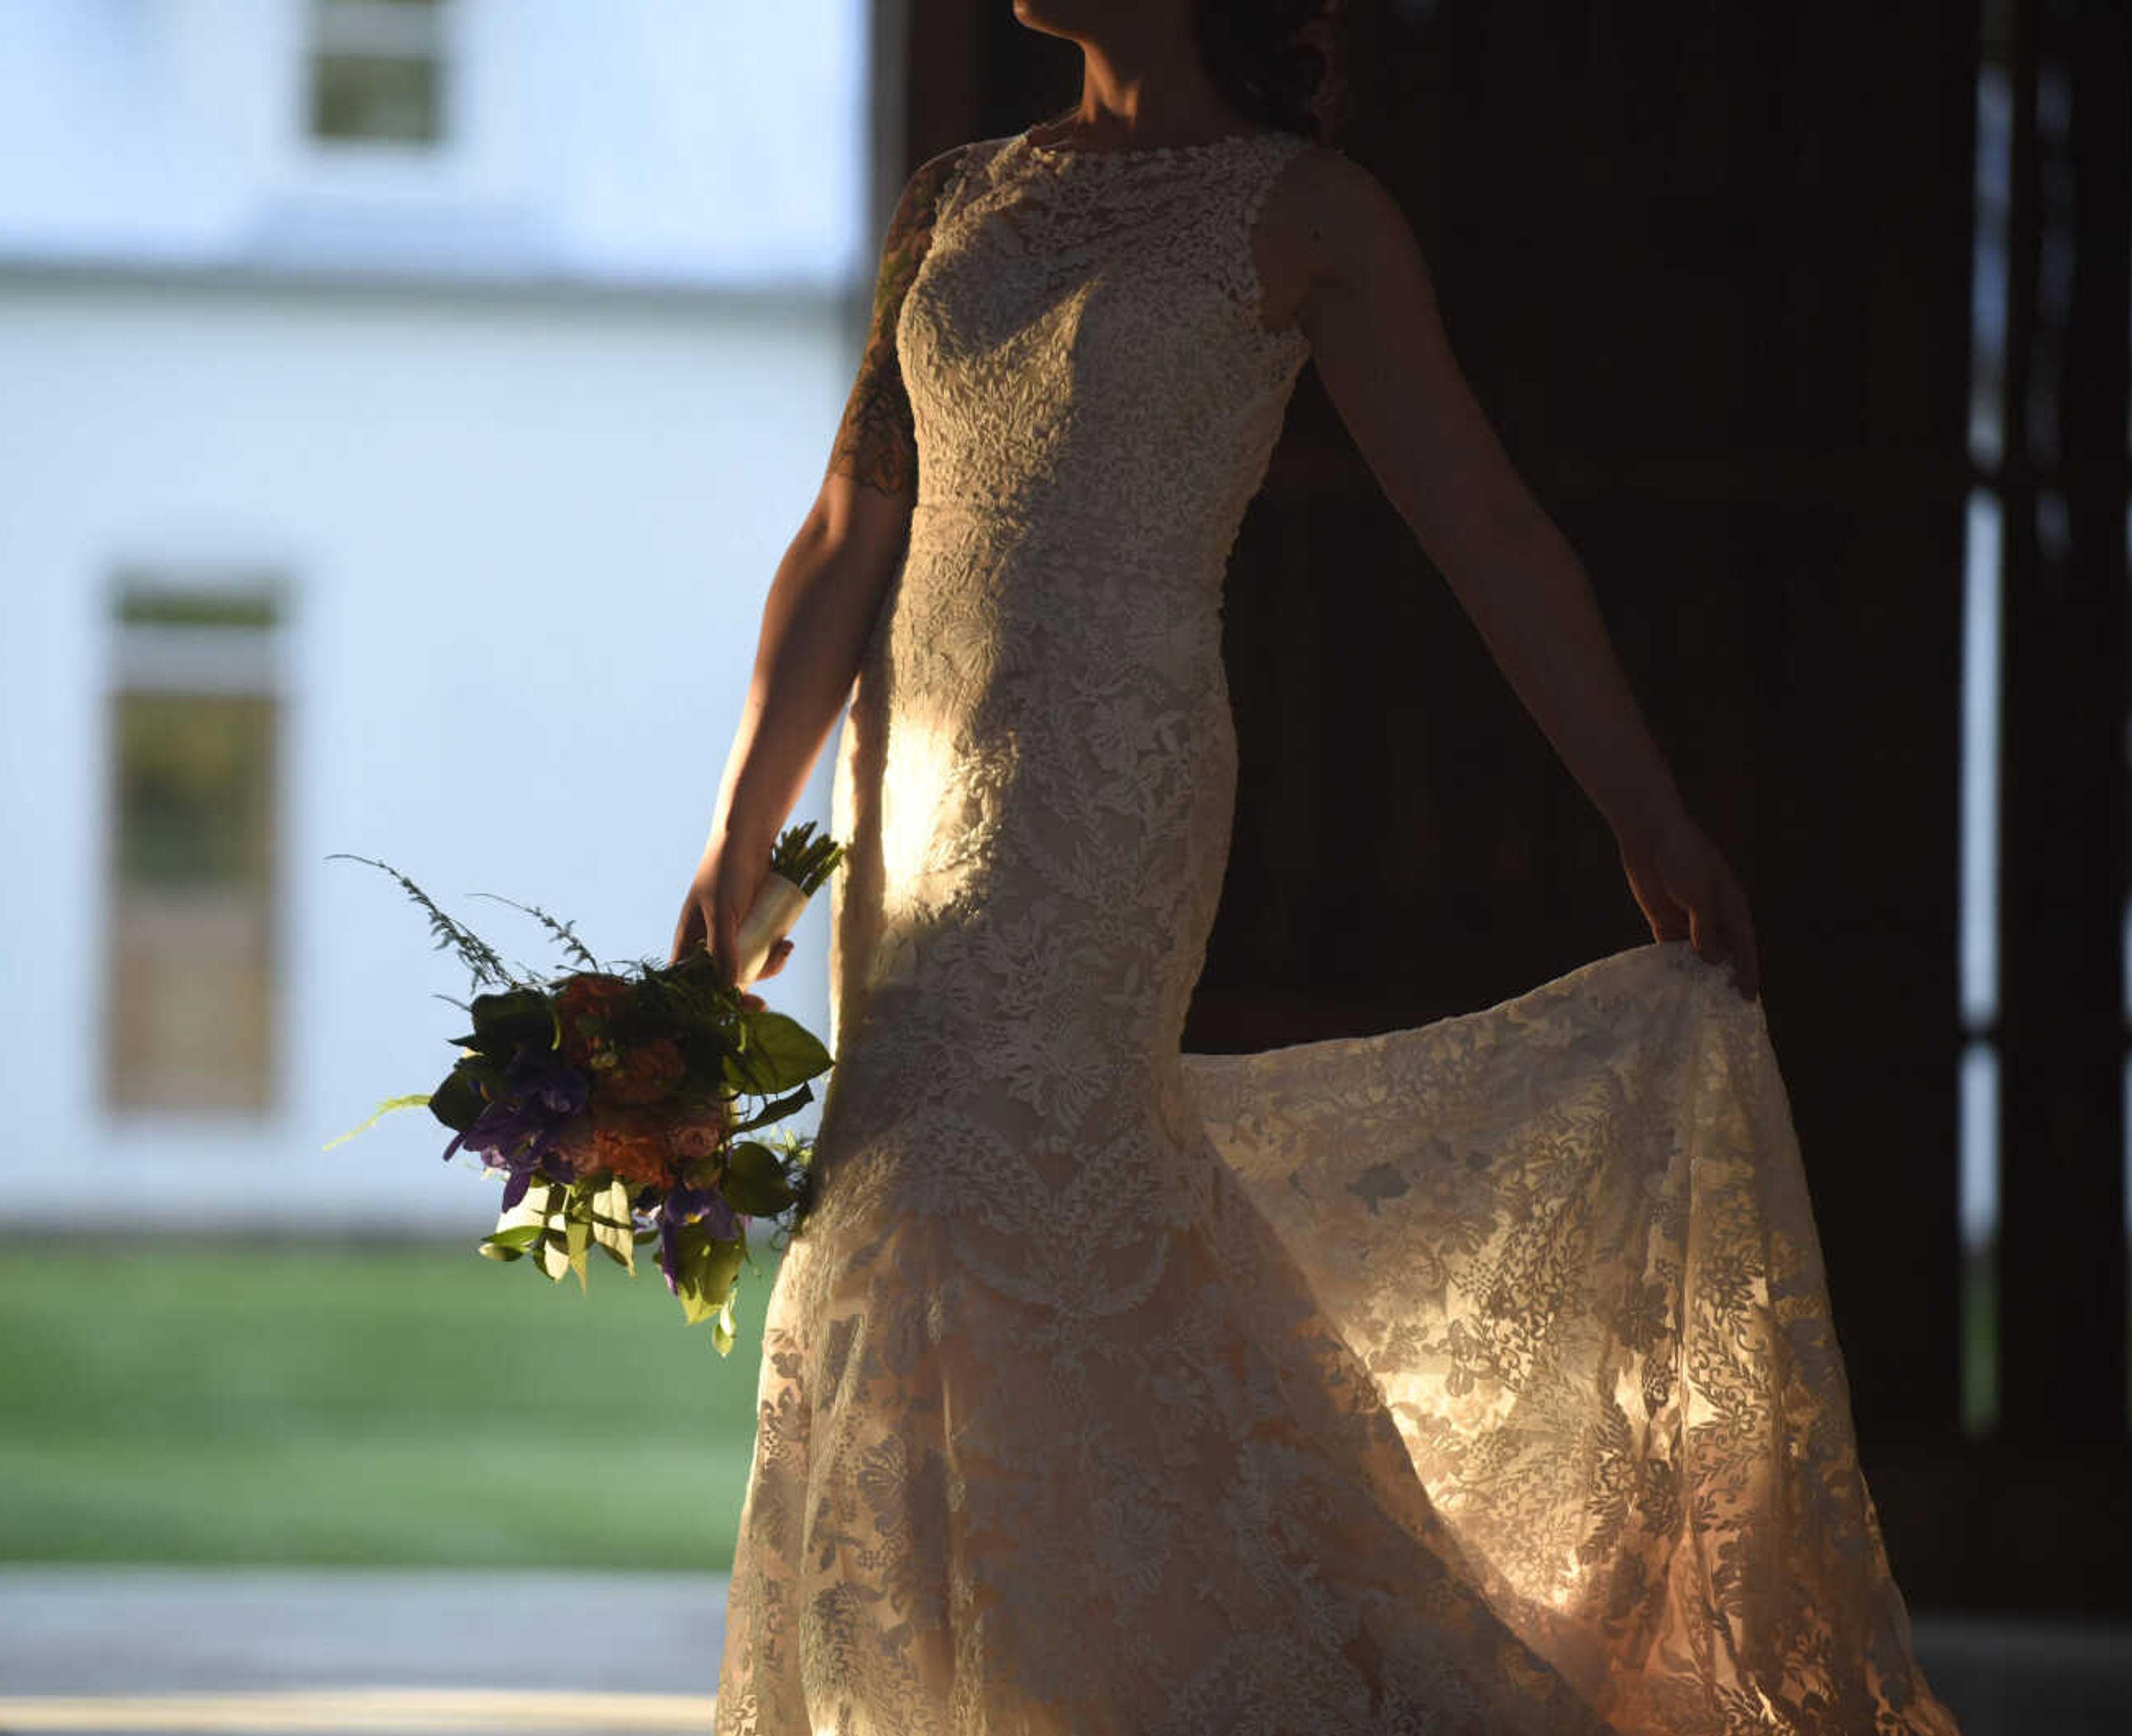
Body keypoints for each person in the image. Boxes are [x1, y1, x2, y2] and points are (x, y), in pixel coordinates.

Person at [669, 2, 1960, 1731]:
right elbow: (848, 528)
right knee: (911, 1207)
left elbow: (1487, 526)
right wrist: (737, 833)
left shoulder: (1310, 211)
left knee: (1009, 1179)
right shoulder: (955, 192)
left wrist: (1650, 812)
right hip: (921, 770)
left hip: (1109, 776)